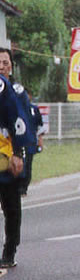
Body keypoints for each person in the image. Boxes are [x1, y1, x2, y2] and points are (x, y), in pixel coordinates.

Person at [0, 49, 25, 268]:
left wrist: (20, 153)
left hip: (7, 155)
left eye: (5, 62)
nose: (1, 66)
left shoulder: (16, 91)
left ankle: (9, 251)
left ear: (11, 66)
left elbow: (22, 123)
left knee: (11, 207)